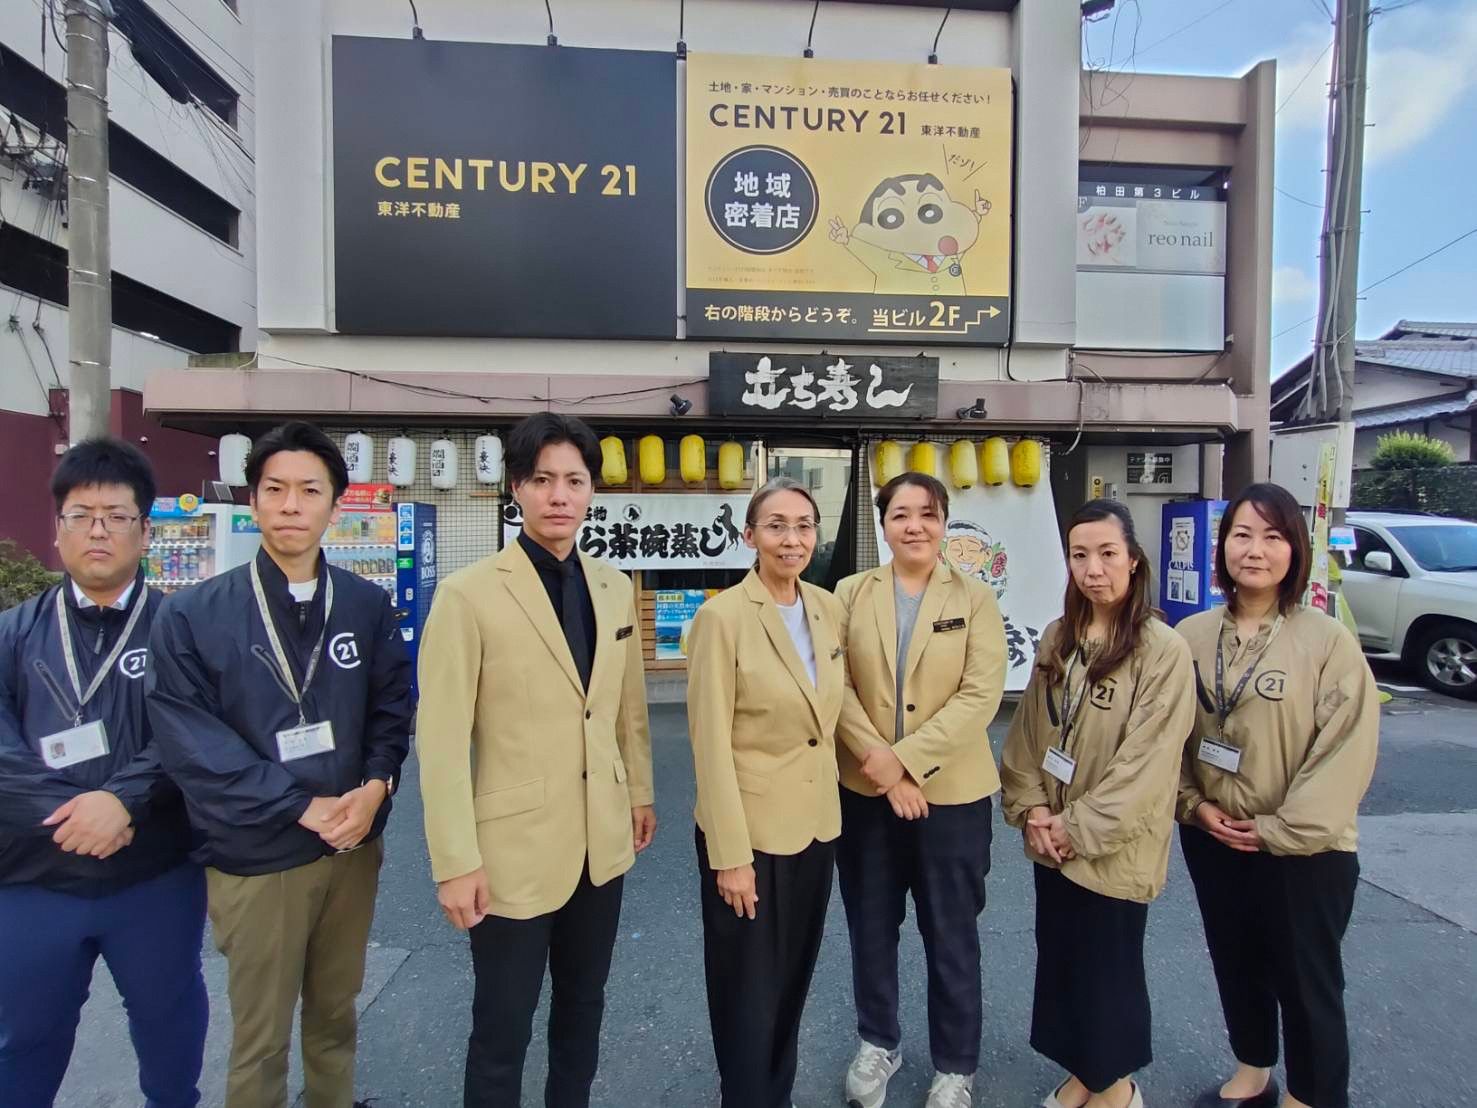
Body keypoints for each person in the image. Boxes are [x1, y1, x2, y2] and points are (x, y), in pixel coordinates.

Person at [147, 421, 413, 1108]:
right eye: (275, 490)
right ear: (254, 501)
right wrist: (296, 804)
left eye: (309, 491)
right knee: (260, 1036)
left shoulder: (364, 604)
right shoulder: (193, 614)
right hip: (255, 853)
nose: (291, 505)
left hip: (352, 847)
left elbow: (391, 708)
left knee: (334, 1012)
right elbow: (190, 739)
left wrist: (377, 786)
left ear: (334, 505)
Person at [417, 412, 655, 1108]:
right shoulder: (468, 594)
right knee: (502, 1025)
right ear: (515, 489)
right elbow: (440, 739)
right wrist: (455, 860)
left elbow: (626, 711)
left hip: (600, 841)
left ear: (590, 492)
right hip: (509, 850)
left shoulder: (614, 585)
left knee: (583, 1011)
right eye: (543, 480)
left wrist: (638, 791)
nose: (560, 495)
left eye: (574, 481)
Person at [0, 439, 206, 1108]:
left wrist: (123, 802)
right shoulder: (11, 633)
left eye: (116, 515)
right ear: (55, 528)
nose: (98, 529)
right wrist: (74, 814)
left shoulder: (185, 627)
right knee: (24, 1038)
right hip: (34, 876)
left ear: (145, 531)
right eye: (81, 513)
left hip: (154, 874)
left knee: (169, 1029)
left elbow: (197, 733)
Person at [1176, 483, 1379, 1108]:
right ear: (1222, 546)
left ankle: (1313, 1094)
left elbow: (1344, 750)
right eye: (1242, 534)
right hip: (1213, 835)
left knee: (1305, 976)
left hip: (1303, 849)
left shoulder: (1325, 641)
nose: (1255, 550)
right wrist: (1194, 804)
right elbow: (1167, 736)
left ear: (1295, 548)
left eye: (1272, 536)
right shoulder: (1192, 634)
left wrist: (1278, 829)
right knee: (1235, 957)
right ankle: (1254, 1067)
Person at [1000, 499, 1195, 1108]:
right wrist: (1031, 809)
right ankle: (1086, 1075)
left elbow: (1148, 765)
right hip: (1051, 839)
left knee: (1107, 973)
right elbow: (1030, 734)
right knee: (1065, 967)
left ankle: (1117, 1092)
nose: (1094, 569)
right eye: (1079, 556)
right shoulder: (1061, 637)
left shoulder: (1161, 651)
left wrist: (1072, 828)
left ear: (1134, 562)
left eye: (1108, 554)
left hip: (1111, 846)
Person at [831, 473, 1007, 1108]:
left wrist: (904, 763)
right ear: (882, 524)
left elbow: (980, 695)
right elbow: (835, 684)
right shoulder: (850, 593)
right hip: (864, 794)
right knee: (871, 928)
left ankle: (955, 1067)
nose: (914, 526)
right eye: (900, 514)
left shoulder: (977, 598)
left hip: (951, 799)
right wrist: (878, 764)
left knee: (951, 933)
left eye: (927, 514)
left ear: (944, 521)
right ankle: (879, 1041)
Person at [686, 476, 846, 1108]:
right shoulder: (720, 618)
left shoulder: (827, 608)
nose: (792, 538)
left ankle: (774, 1094)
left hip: (815, 824)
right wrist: (730, 854)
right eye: (776, 525)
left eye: (804, 525)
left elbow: (833, 712)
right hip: (748, 835)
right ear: (749, 537)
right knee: (746, 990)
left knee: (791, 981)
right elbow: (709, 745)